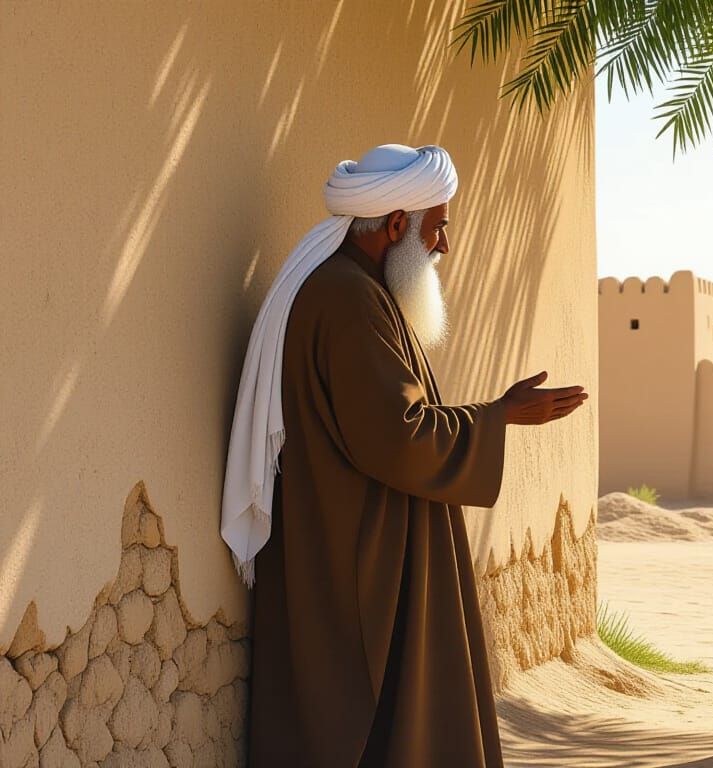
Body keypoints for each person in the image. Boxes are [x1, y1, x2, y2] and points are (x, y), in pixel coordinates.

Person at [220, 144, 587, 767]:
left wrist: (492, 415)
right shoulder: (347, 299)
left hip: (356, 537)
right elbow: (397, 436)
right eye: (437, 227)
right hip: (359, 558)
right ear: (396, 225)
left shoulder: (354, 289)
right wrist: (499, 415)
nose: (444, 245)